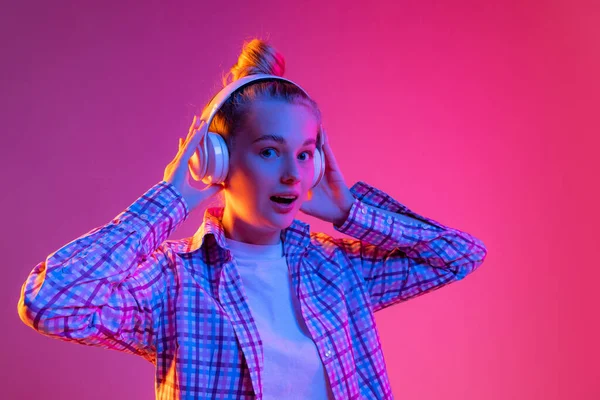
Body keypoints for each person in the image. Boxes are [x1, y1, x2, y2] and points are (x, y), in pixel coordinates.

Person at [17, 38, 488, 400]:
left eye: (305, 155)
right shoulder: (173, 282)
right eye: (269, 151)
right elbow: (51, 301)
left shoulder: (339, 270)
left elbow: (459, 255)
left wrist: (350, 213)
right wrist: (173, 199)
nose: (292, 175)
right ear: (218, 160)